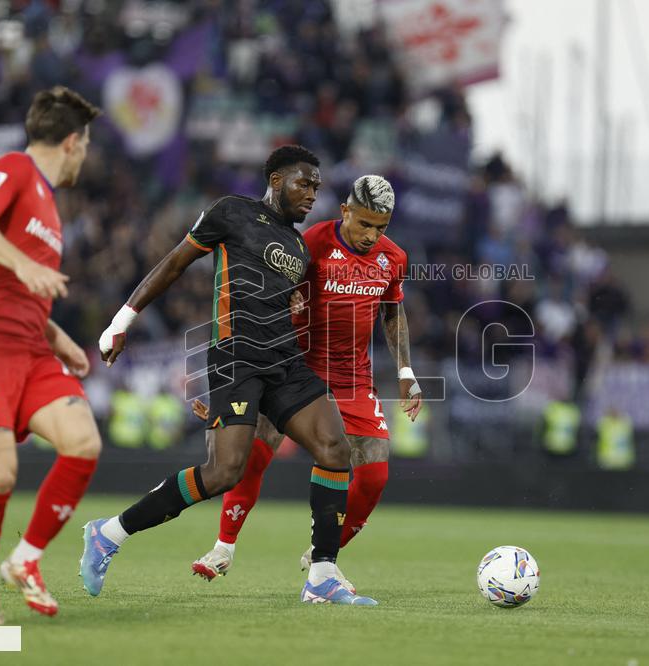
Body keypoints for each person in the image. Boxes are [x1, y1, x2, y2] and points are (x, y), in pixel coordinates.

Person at [80, 145, 377, 605]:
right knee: (224, 472)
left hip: (285, 361)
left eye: (317, 187)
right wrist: (122, 320)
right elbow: (175, 262)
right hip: (236, 358)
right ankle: (109, 533)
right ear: (276, 180)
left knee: (335, 449)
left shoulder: (298, 245)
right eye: (304, 183)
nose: (311, 194)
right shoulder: (231, 212)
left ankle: (322, 575)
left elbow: (292, 305)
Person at [189, 175, 422, 593]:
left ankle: (323, 555)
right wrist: (290, 298)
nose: (371, 236)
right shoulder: (311, 242)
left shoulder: (394, 259)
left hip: (354, 379)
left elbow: (392, 311)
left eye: (381, 228)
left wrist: (405, 372)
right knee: (253, 456)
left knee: (374, 478)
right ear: (346, 210)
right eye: (364, 224)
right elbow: (266, 293)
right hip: (293, 368)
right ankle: (223, 546)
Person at [0, 86, 102, 625]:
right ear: (72, 143)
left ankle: (25, 559)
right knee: (1, 473)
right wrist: (26, 267)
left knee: (82, 441)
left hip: (29, 349)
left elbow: (10, 284)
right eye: (87, 144)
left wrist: (57, 337)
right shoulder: (14, 168)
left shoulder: (49, 208)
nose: (86, 155)